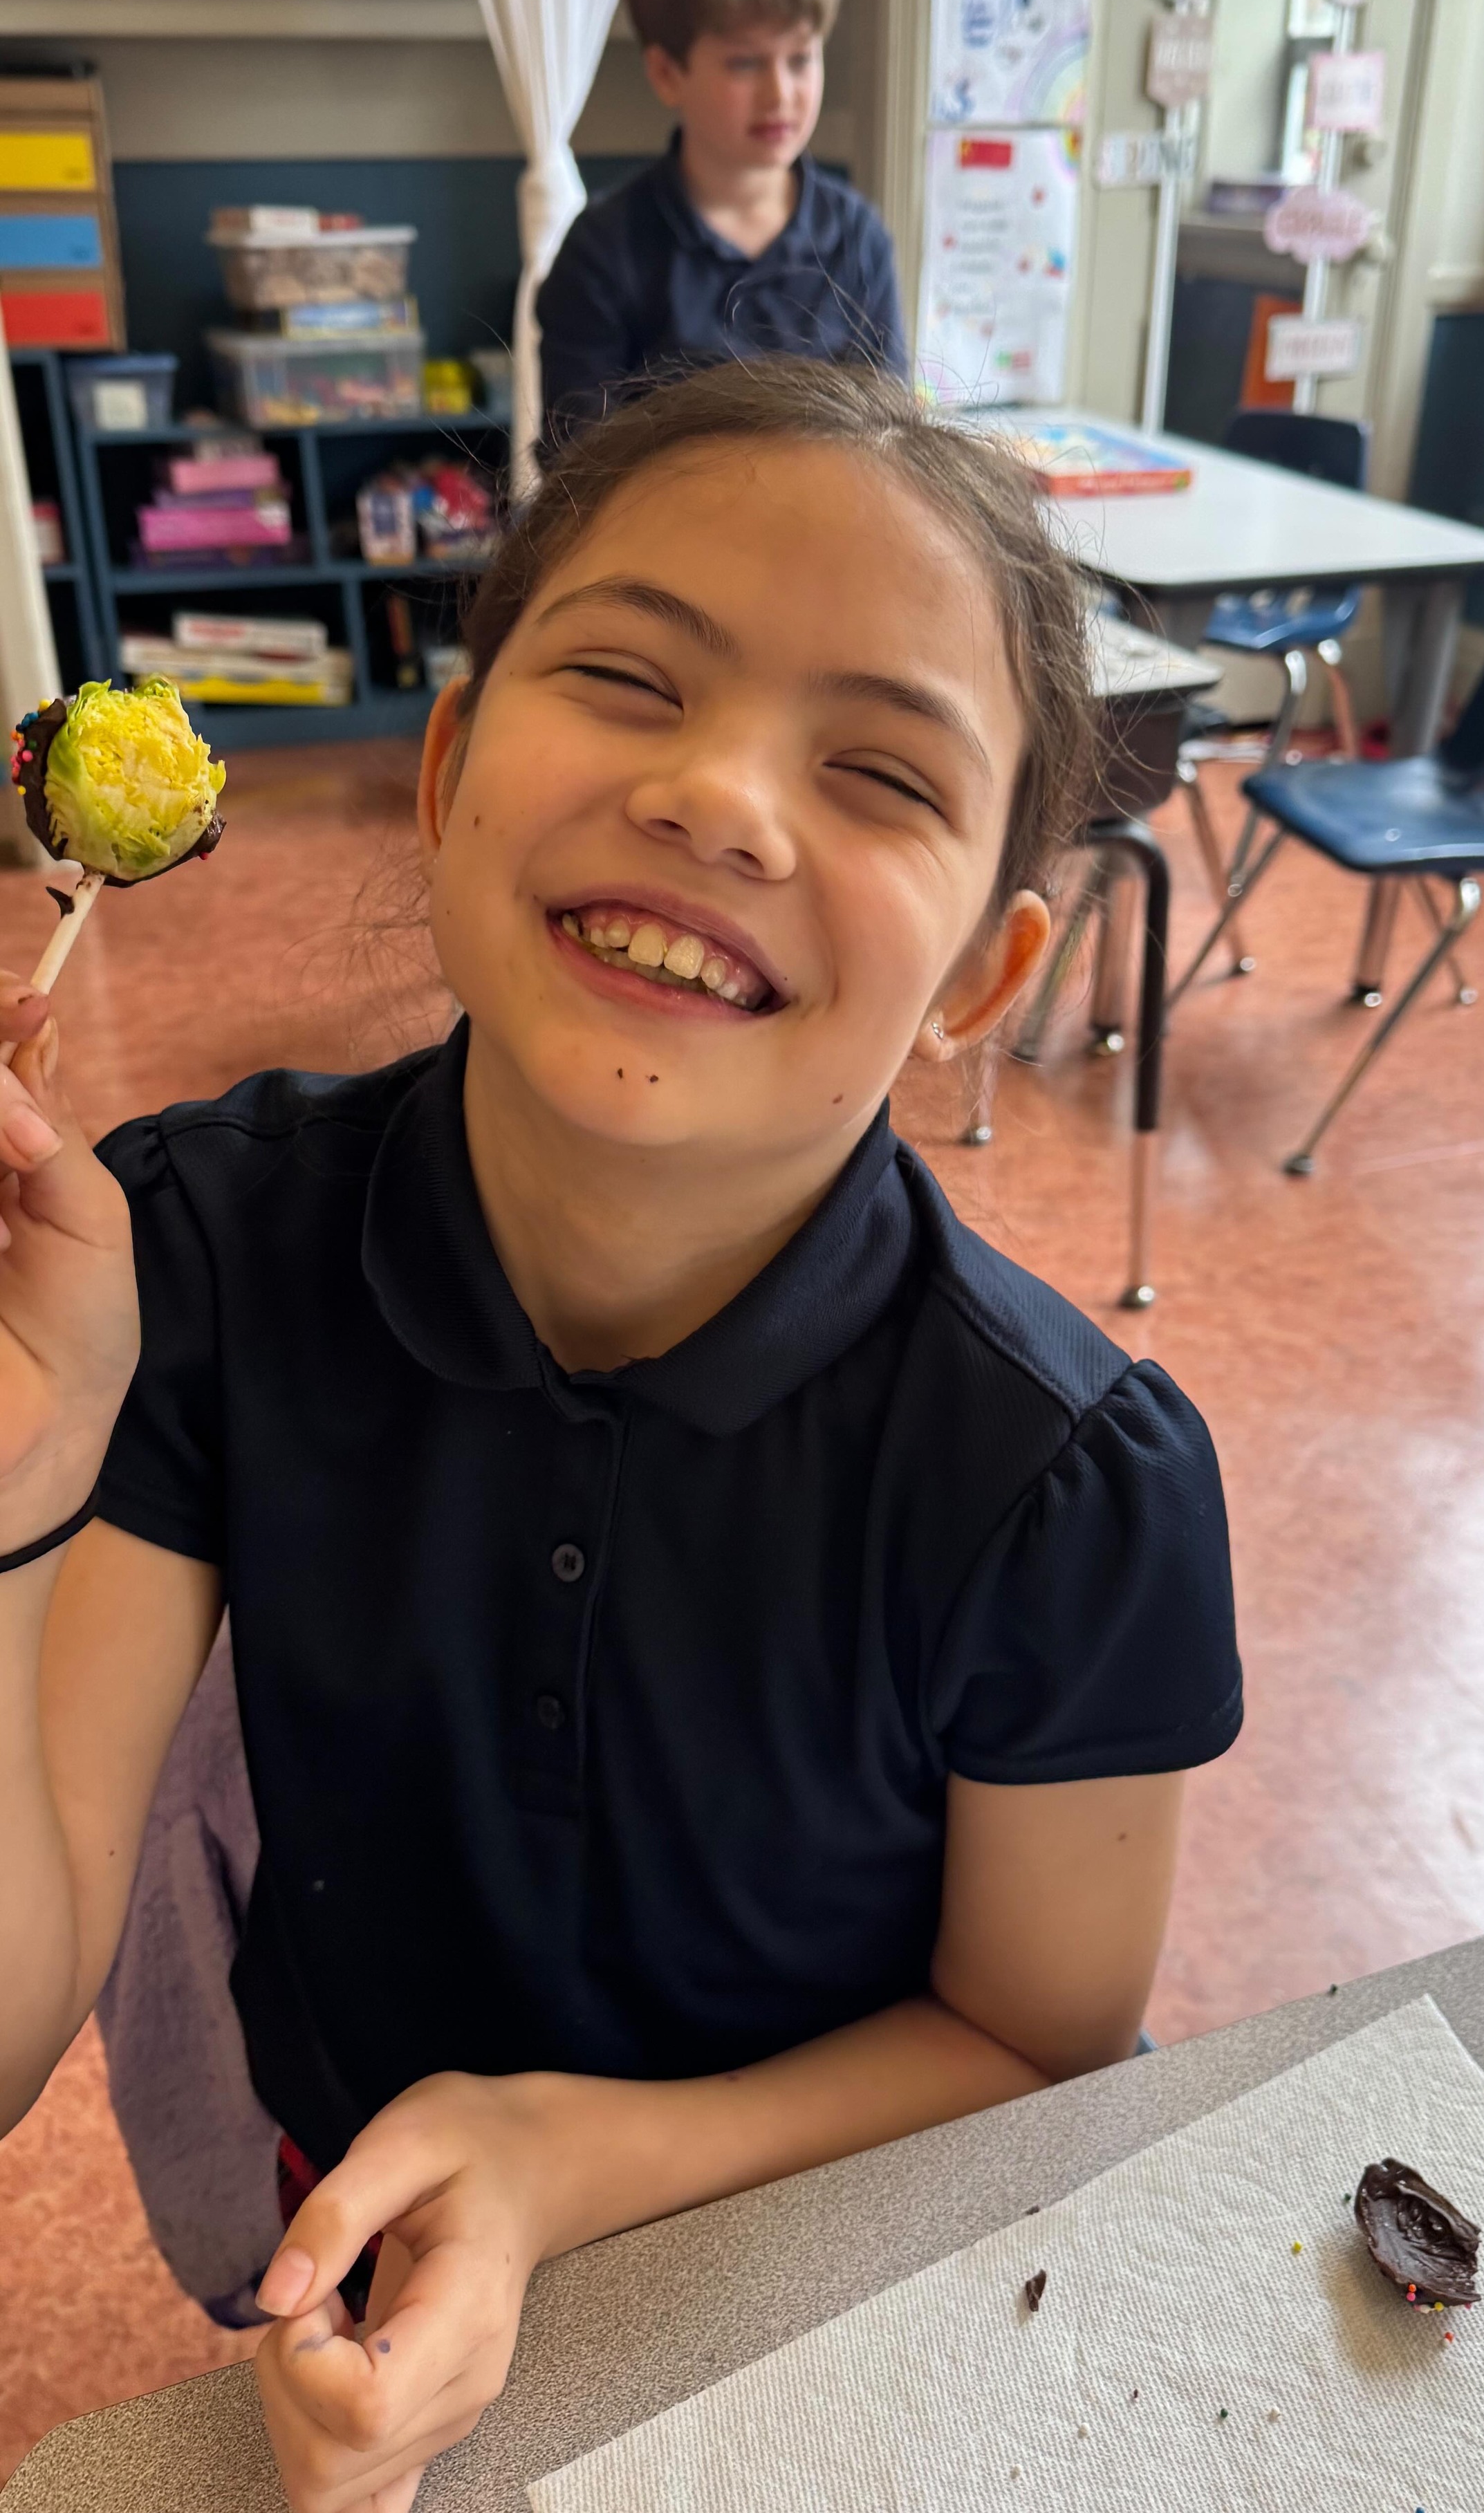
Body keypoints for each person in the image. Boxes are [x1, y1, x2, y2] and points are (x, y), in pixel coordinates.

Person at [0, 359, 1240, 2513]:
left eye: (877, 771)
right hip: (358, 2240)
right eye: (630, 677)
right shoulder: (187, 1256)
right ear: (453, 761)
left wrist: (571, 2151)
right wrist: (13, 1510)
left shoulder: (1068, 1484)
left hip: (834, 2274)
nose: (728, 802)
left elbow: (1036, 2042)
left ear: (981, 971)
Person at [535, 0, 905, 458]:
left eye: (801, 58)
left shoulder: (857, 239)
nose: (781, 94)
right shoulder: (603, 254)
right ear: (666, 73)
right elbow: (577, 474)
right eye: (744, 63)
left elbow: (891, 438)